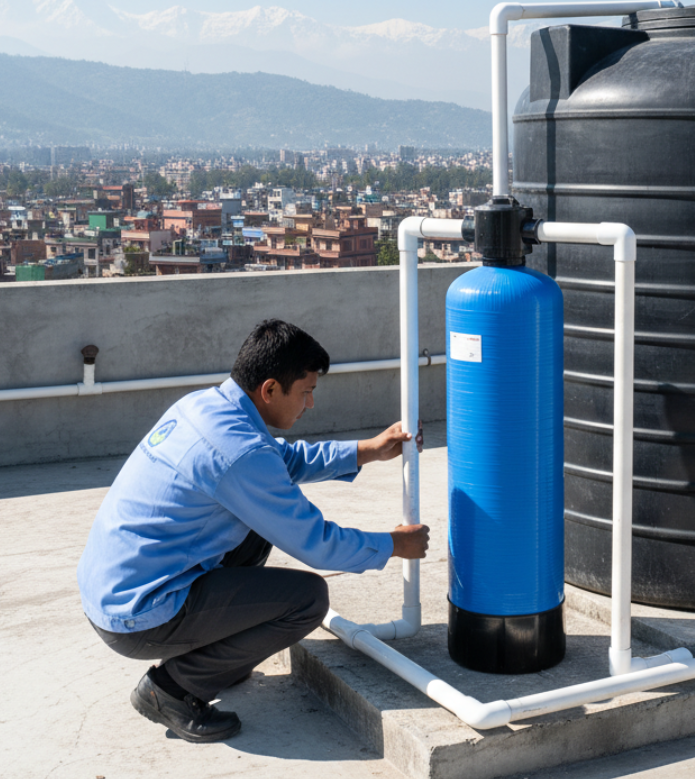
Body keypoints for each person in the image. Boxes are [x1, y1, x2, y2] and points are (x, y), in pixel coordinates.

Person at [77, 318, 430, 743]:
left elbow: (279, 462)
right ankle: (170, 689)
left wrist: (365, 451)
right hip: (138, 613)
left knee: (256, 529)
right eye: (306, 392)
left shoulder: (206, 407)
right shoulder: (237, 452)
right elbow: (316, 544)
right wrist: (393, 545)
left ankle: (214, 655)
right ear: (269, 390)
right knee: (306, 599)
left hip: (113, 587)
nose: (310, 404)